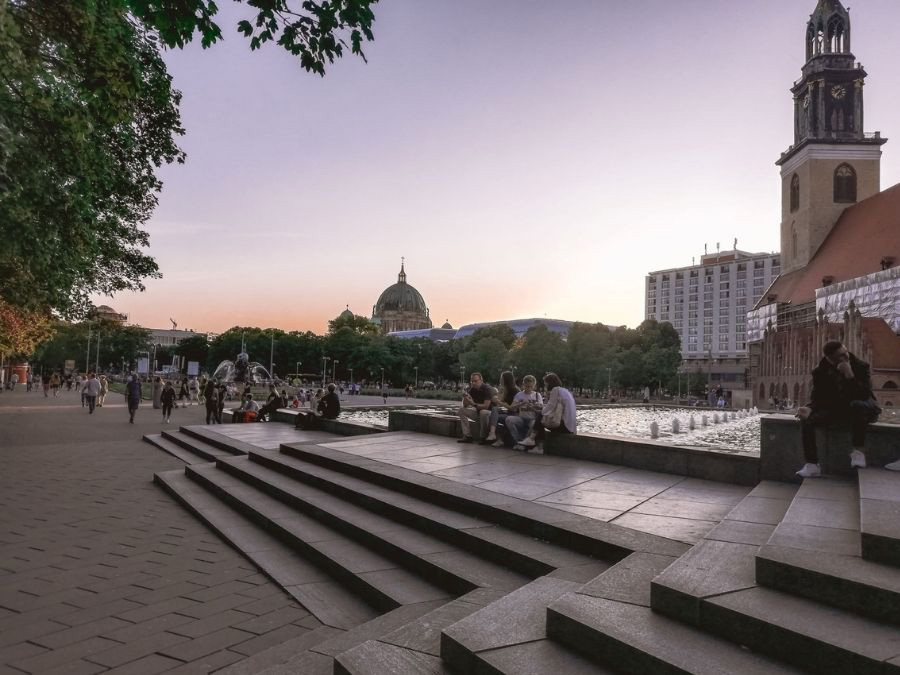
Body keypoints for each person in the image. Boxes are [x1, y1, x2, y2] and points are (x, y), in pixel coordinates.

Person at [796, 340, 881, 478]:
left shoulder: (860, 366)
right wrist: (809, 408)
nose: (846, 356)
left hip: (863, 408)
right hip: (837, 409)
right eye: (841, 355)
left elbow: (864, 394)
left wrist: (850, 376)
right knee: (807, 420)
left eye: (846, 352)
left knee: (856, 405)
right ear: (830, 359)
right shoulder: (820, 371)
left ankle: (858, 452)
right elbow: (818, 398)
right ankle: (812, 464)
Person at [504, 375, 543, 450]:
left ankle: (524, 442)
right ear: (523, 385)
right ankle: (518, 441)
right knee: (509, 419)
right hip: (521, 418)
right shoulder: (519, 395)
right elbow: (512, 407)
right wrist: (520, 404)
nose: (528, 388)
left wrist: (534, 406)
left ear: (534, 386)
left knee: (534, 423)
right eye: (526, 386)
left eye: (530, 387)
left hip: (532, 418)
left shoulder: (537, 395)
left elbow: (541, 408)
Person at [536, 372, 577, 441]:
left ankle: (537, 443)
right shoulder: (565, 391)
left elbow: (549, 407)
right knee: (541, 416)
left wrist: (538, 410)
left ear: (549, 382)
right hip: (571, 428)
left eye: (545, 383)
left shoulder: (555, 390)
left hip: (564, 427)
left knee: (540, 416)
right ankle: (533, 440)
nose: (545, 385)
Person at [457, 372, 495, 444]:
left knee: (483, 412)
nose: (473, 383)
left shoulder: (487, 389)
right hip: (478, 413)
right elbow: (465, 405)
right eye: (472, 381)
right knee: (461, 410)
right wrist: (465, 396)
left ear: (481, 380)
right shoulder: (472, 389)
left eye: (475, 381)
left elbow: (486, 406)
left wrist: (473, 404)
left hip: (489, 414)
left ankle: (483, 437)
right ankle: (467, 436)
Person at [486, 370, 519, 445]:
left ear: (506, 380)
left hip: (514, 414)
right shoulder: (506, 389)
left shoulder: (515, 391)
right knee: (493, 412)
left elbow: (513, 408)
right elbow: (499, 404)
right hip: (509, 412)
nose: (500, 380)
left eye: (501, 378)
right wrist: (497, 396)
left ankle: (496, 437)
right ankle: (494, 435)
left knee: (493, 416)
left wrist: (498, 402)